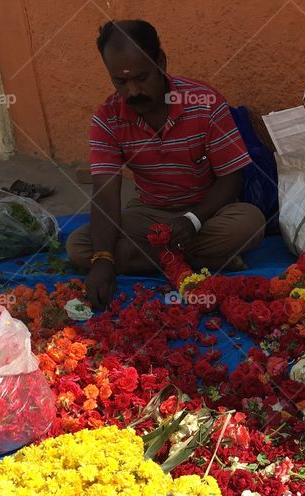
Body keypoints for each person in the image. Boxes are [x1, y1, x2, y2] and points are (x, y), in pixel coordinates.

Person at [67, 19, 265, 309]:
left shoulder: (204, 102)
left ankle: (155, 259)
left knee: (251, 223)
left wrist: (192, 220)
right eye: (121, 82)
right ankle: (200, 260)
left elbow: (232, 178)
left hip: (208, 212)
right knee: (80, 246)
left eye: (142, 77)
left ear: (161, 62)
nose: (133, 91)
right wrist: (102, 260)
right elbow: (106, 192)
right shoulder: (106, 118)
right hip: (150, 213)